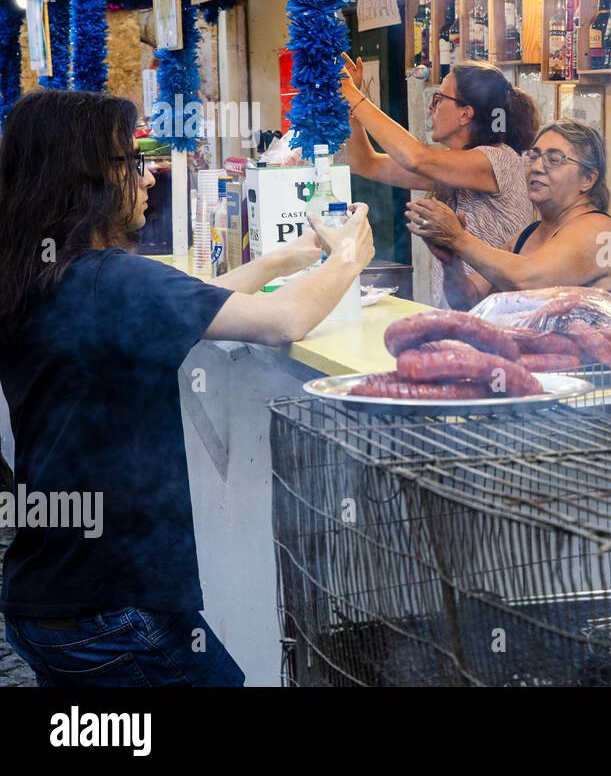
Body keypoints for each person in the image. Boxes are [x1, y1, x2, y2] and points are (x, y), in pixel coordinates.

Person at [0, 89, 375, 686]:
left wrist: (283, 260)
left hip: (50, 599)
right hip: (115, 611)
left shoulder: (40, 273)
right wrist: (347, 258)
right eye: (132, 161)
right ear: (88, 178)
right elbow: (286, 323)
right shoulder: (110, 281)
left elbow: (191, 306)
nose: (149, 177)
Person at [339, 56, 537, 308]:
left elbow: (415, 158)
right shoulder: (455, 166)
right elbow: (364, 163)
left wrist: (353, 96)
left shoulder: (499, 160)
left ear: (465, 113)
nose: (431, 107)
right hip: (461, 317)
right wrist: (350, 105)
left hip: (494, 321)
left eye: (438, 99)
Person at [406, 119, 611, 309]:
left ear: (588, 179)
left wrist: (458, 238)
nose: (537, 167)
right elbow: (468, 300)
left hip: (593, 363)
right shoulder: (528, 234)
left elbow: (527, 280)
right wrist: (452, 262)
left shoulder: (598, 230)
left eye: (554, 159)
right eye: (533, 156)